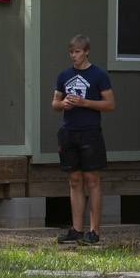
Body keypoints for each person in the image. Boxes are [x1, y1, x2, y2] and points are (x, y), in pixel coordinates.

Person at [52, 35, 114, 245]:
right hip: (68, 132)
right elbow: (54, 103)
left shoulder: (98, 75)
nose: (73, 56)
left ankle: (94, 232)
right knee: (74, 181)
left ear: (86, 51)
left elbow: (110, 104)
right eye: (71, 52)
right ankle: (76, 230)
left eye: (77, 52)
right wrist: (63, 105)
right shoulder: (64, 75)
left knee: (92, 181)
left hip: (90, 132)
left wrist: (84, 102)